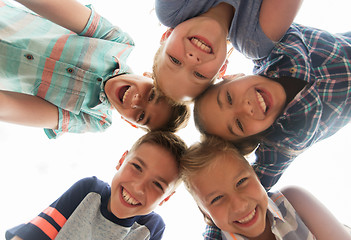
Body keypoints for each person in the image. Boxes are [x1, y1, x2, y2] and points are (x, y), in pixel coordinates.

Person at [193, 23, 351, 190]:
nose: (246, 108)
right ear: (254, 138)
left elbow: (239, 18)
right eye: (239, 124)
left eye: (229, 97)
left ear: (232, 76)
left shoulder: (269, 47)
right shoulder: (282, 142)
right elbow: (255, 188)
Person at [0, 0, 189, 139]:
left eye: (141, 116)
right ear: (150, 75)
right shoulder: (118, 43)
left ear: (131, 123)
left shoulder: (94, 120)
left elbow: (8, 107)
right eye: (151, 95)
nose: (136, 102)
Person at [5, 131, 187, 240]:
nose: (138, 187)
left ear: (167, 198)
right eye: (137, 167)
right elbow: (31, 235)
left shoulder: (150, 229)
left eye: (157, 184)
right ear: (122, 160)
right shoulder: (90, 191)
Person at [181, 136, 351, 240]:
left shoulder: (293, 201)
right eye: (217, 199)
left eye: (241, 182)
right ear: (205, 213)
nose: (239, 205)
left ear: (256, 176)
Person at [151, 0, 303, 102]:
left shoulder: (172, 11)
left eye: (174, 60)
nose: (191, 59)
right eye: (199, 74)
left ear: (167, 36)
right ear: (222, 69)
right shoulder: (255, 42)